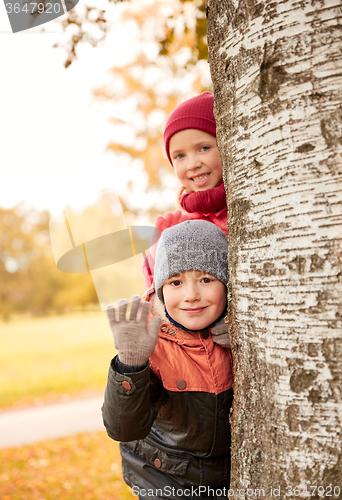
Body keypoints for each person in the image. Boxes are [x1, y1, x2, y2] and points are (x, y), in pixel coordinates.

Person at [102, 220, 233, 500]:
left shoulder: (236, 336)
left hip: (226, 479)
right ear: (161, 289)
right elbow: (123, 428)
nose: (191, 296)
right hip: (163, 480)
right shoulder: (152, 343)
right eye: (175, 282)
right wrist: (130, 365)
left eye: (206, 279)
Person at [143, 91, 227, 289]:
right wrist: (161, 251)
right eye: (180, 156)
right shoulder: (180, 224)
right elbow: (156, 295)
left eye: (204, 148)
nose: (192, 164)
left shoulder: (252, 205)